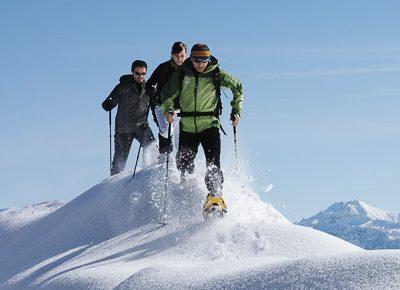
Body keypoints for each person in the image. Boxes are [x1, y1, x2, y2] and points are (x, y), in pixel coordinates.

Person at [161, 44, 243, 214]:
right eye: (196, 60)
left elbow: (238, 87)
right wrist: (167, 110)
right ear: (191, 58)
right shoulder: (182, 73)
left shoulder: (216, 73)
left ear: (208, 59)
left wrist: (236, 110)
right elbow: (167, 95)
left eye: (204, 60)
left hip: (210, 125)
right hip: (188, 126)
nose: (200, 63)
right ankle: (188, 194)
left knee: (213, 163)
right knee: (184, 163)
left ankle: (215, 197)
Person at [102, 60, 157, 175]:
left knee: (153, 149)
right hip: (124, 128)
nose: (140, 76)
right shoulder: (123, 86)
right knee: (120, 159)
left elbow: (155, 107)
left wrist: (155, 97)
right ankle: (113, 184)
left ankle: (149, 174)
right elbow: (109, 101)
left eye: (143, 73)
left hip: (141, 126)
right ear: (132, 72)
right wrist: (108, 104)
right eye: (137, 73)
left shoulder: (148, 88)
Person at [146, 42, 187, 156]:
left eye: (182, 56)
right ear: (172, 54)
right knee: (165, 132)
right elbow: (149, 84)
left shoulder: (189, 70)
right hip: (162, 107)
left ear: (186, 54)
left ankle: (182, 167)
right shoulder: (163, 67)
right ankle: (164, 158)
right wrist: (154, 94)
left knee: (181, 140)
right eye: (176, 56)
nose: (179, 59)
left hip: (181, 110)